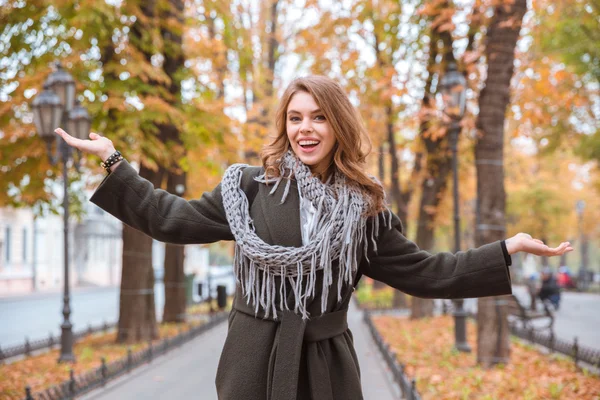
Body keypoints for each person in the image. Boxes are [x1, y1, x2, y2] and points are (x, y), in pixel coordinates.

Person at [54, 75, 573, 400]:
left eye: (319, 117)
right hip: (251, 361)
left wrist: (507, 249)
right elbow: (173, 219)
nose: (306, 128)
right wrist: (114, 162)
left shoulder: (364, 210)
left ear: (338, 127)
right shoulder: (248, 189)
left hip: (326, 365)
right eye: (296, 117)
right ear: (285, 125)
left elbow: (426, 273)